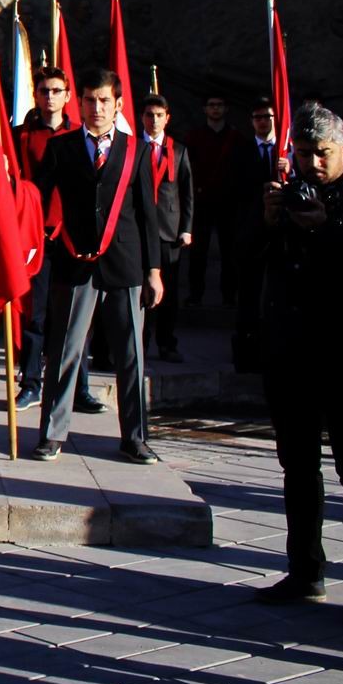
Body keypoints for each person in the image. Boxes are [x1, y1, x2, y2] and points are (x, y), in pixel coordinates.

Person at [251, 102, 343, 628]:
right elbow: (255, 265)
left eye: (322, 153)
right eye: (303, 152)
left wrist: (324, 228)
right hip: (291, 354)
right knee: (298, 467)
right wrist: (270, 223)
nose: (312, 163)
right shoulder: (289, 196)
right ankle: (304, 568)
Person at [32, 70, 162, 465]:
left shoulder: (135, 151)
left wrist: (154, 272)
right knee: (65, 352)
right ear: (80, 102)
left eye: (104, 101)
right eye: (89, 100)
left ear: (118, 105)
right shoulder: (61, 147)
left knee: (131, 356)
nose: (97, 108)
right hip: (75, 262)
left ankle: (135, 438)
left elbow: (147, 216)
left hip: (125, 265)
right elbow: (37, 198)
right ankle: (53, 434)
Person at [13, 68, 96, 413]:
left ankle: (79, 388)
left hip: (74, 237)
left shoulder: (82, 135)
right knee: (36, 315)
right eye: (45, 90)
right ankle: (31, 383)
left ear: (67, 96)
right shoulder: (21, 137)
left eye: (57, 91)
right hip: (37, 238)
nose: (50, 97)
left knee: (77, 316)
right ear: (36, 96)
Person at [226, 98, 281, 371]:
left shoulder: (287, 150)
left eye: (268, 116)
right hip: (249, 231)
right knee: (248, 294)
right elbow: (234, 187)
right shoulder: (242, 149)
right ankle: (246, 354)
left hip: (280, 234)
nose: (264, 121)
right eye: (258, 117)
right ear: (252, 121)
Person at [139, 95, 194, 362]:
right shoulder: (134, 147)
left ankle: (166, 343)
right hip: (139, 229)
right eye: (150, 115)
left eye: (159, 115)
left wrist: (186, 227)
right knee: (140, 290)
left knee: (168, 291)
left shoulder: (179, 150)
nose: (154, 120)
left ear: (167, 118)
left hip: (169, 232)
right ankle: (140, 343)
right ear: (142, 117)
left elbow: (187, 193)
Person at [185, 92, 237, 305]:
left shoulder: (235, 138)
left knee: (229, 252)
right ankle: (195, 294)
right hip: (201, 201)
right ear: (205, 109)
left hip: (227, 203)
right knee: (198, 252)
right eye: (211, 105)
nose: (215, 109)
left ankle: (229, 296)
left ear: (226, 109)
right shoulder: (194, 137)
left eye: (219, 104)